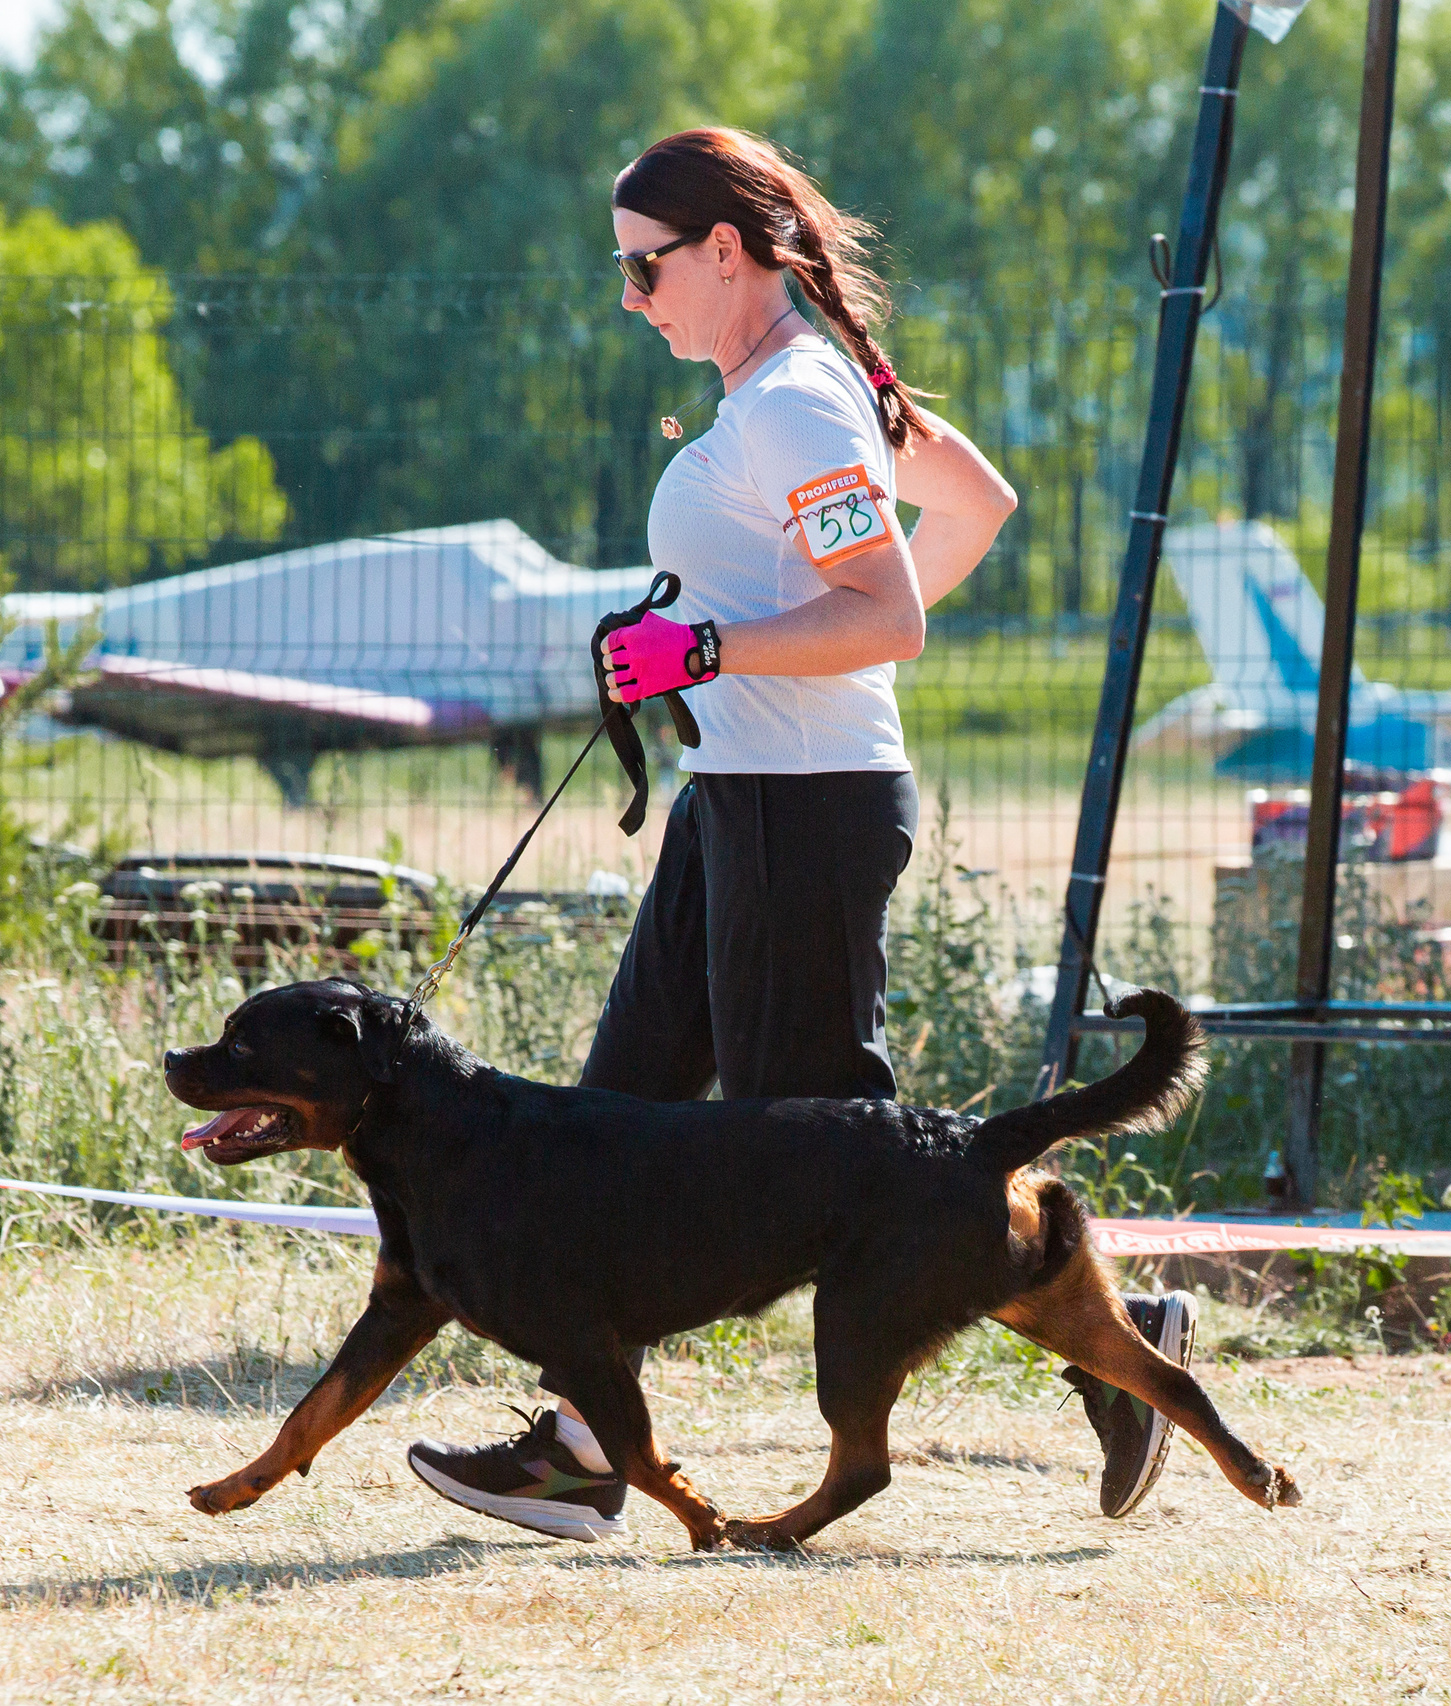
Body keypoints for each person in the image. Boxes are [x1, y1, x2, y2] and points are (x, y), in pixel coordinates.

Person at [404, 128, 1196, 1540]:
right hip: (742, 805)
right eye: (620, 269)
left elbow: (887, 611)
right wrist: (759, 656)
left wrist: (719, 650)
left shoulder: (797, 406)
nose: (630, 297)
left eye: (643, 268)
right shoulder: (791, 393)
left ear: (725, 250)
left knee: (852, 1170)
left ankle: (1119, 1346)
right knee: (616, 1113)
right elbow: (973, 510)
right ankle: (590, 1446)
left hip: (807, 818)